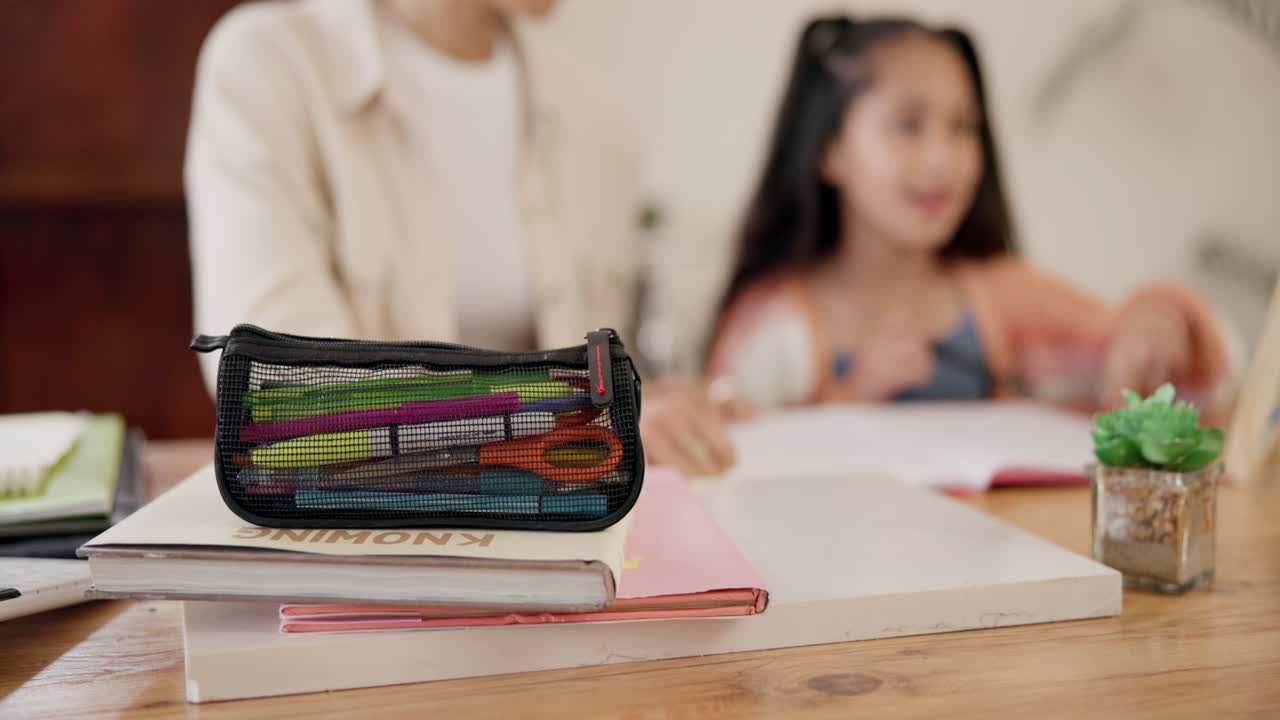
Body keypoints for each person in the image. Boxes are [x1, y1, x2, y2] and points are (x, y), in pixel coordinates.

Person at [186, 0, 735, 475]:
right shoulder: (269, 66)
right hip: (360, 546)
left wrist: (663, 407)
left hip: (556, 527)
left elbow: (611, 370)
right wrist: (572, 415)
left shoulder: (599, 116)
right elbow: (280, 394)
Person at [707, 16, 1232, 414]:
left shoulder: (1008, 299)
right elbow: (720, 468)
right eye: (909, 125)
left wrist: (1162, 318)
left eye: (963, 127)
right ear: (829, 151)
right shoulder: (769, 325)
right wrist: (850, 396)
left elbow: (1190, 382)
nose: (944, 159)